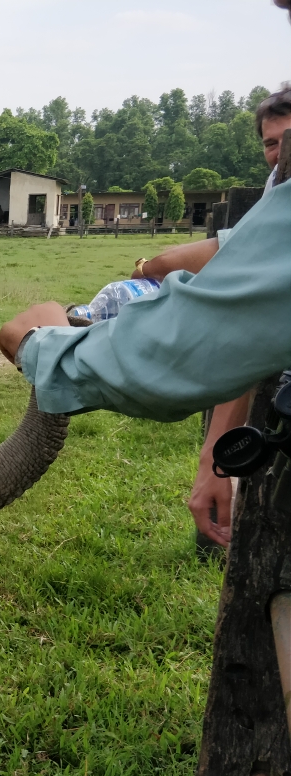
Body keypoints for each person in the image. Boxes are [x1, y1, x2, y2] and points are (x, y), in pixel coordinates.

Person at [122, 86, 291, 547]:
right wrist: (215, 458)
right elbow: (247, 324)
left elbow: (228, 265)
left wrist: (148, 267)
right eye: (270, 143)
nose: (279, 154)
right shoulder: (279, 184)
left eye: (287, 141)